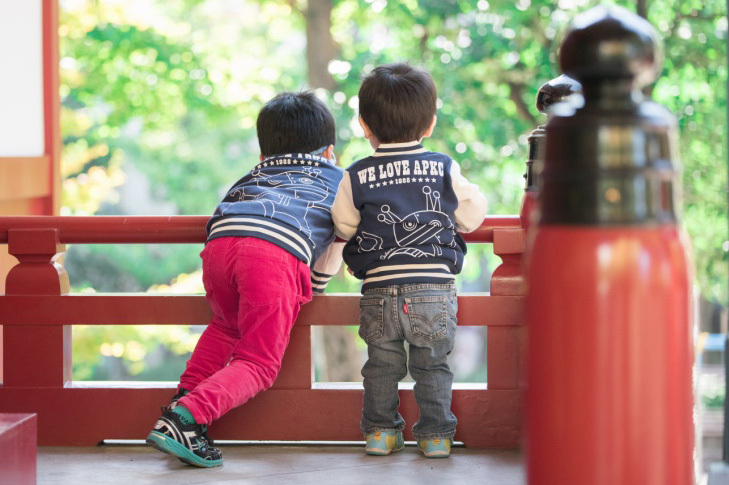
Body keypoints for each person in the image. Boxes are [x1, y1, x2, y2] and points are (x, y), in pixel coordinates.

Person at [147, 91, 344, 467]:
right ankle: (186, 417)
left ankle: (179, 406)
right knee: (259, 363)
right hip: (273, 254)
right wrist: (315, 285)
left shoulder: (254, 173)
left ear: (262, 154)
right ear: (329, 152)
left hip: (220, 245)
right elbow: (341, 237)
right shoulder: (338, 179)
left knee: (226, 326)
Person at [331, 63, 487, 458]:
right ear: (430, 124)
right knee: (432, 366)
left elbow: (345, 224)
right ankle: (435, 437)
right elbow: (470, 216)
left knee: (381, 366)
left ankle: (381, 434)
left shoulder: (356, 174)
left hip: (379, 290)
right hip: (433, 288)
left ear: (365, 126)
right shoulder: (442, 166)